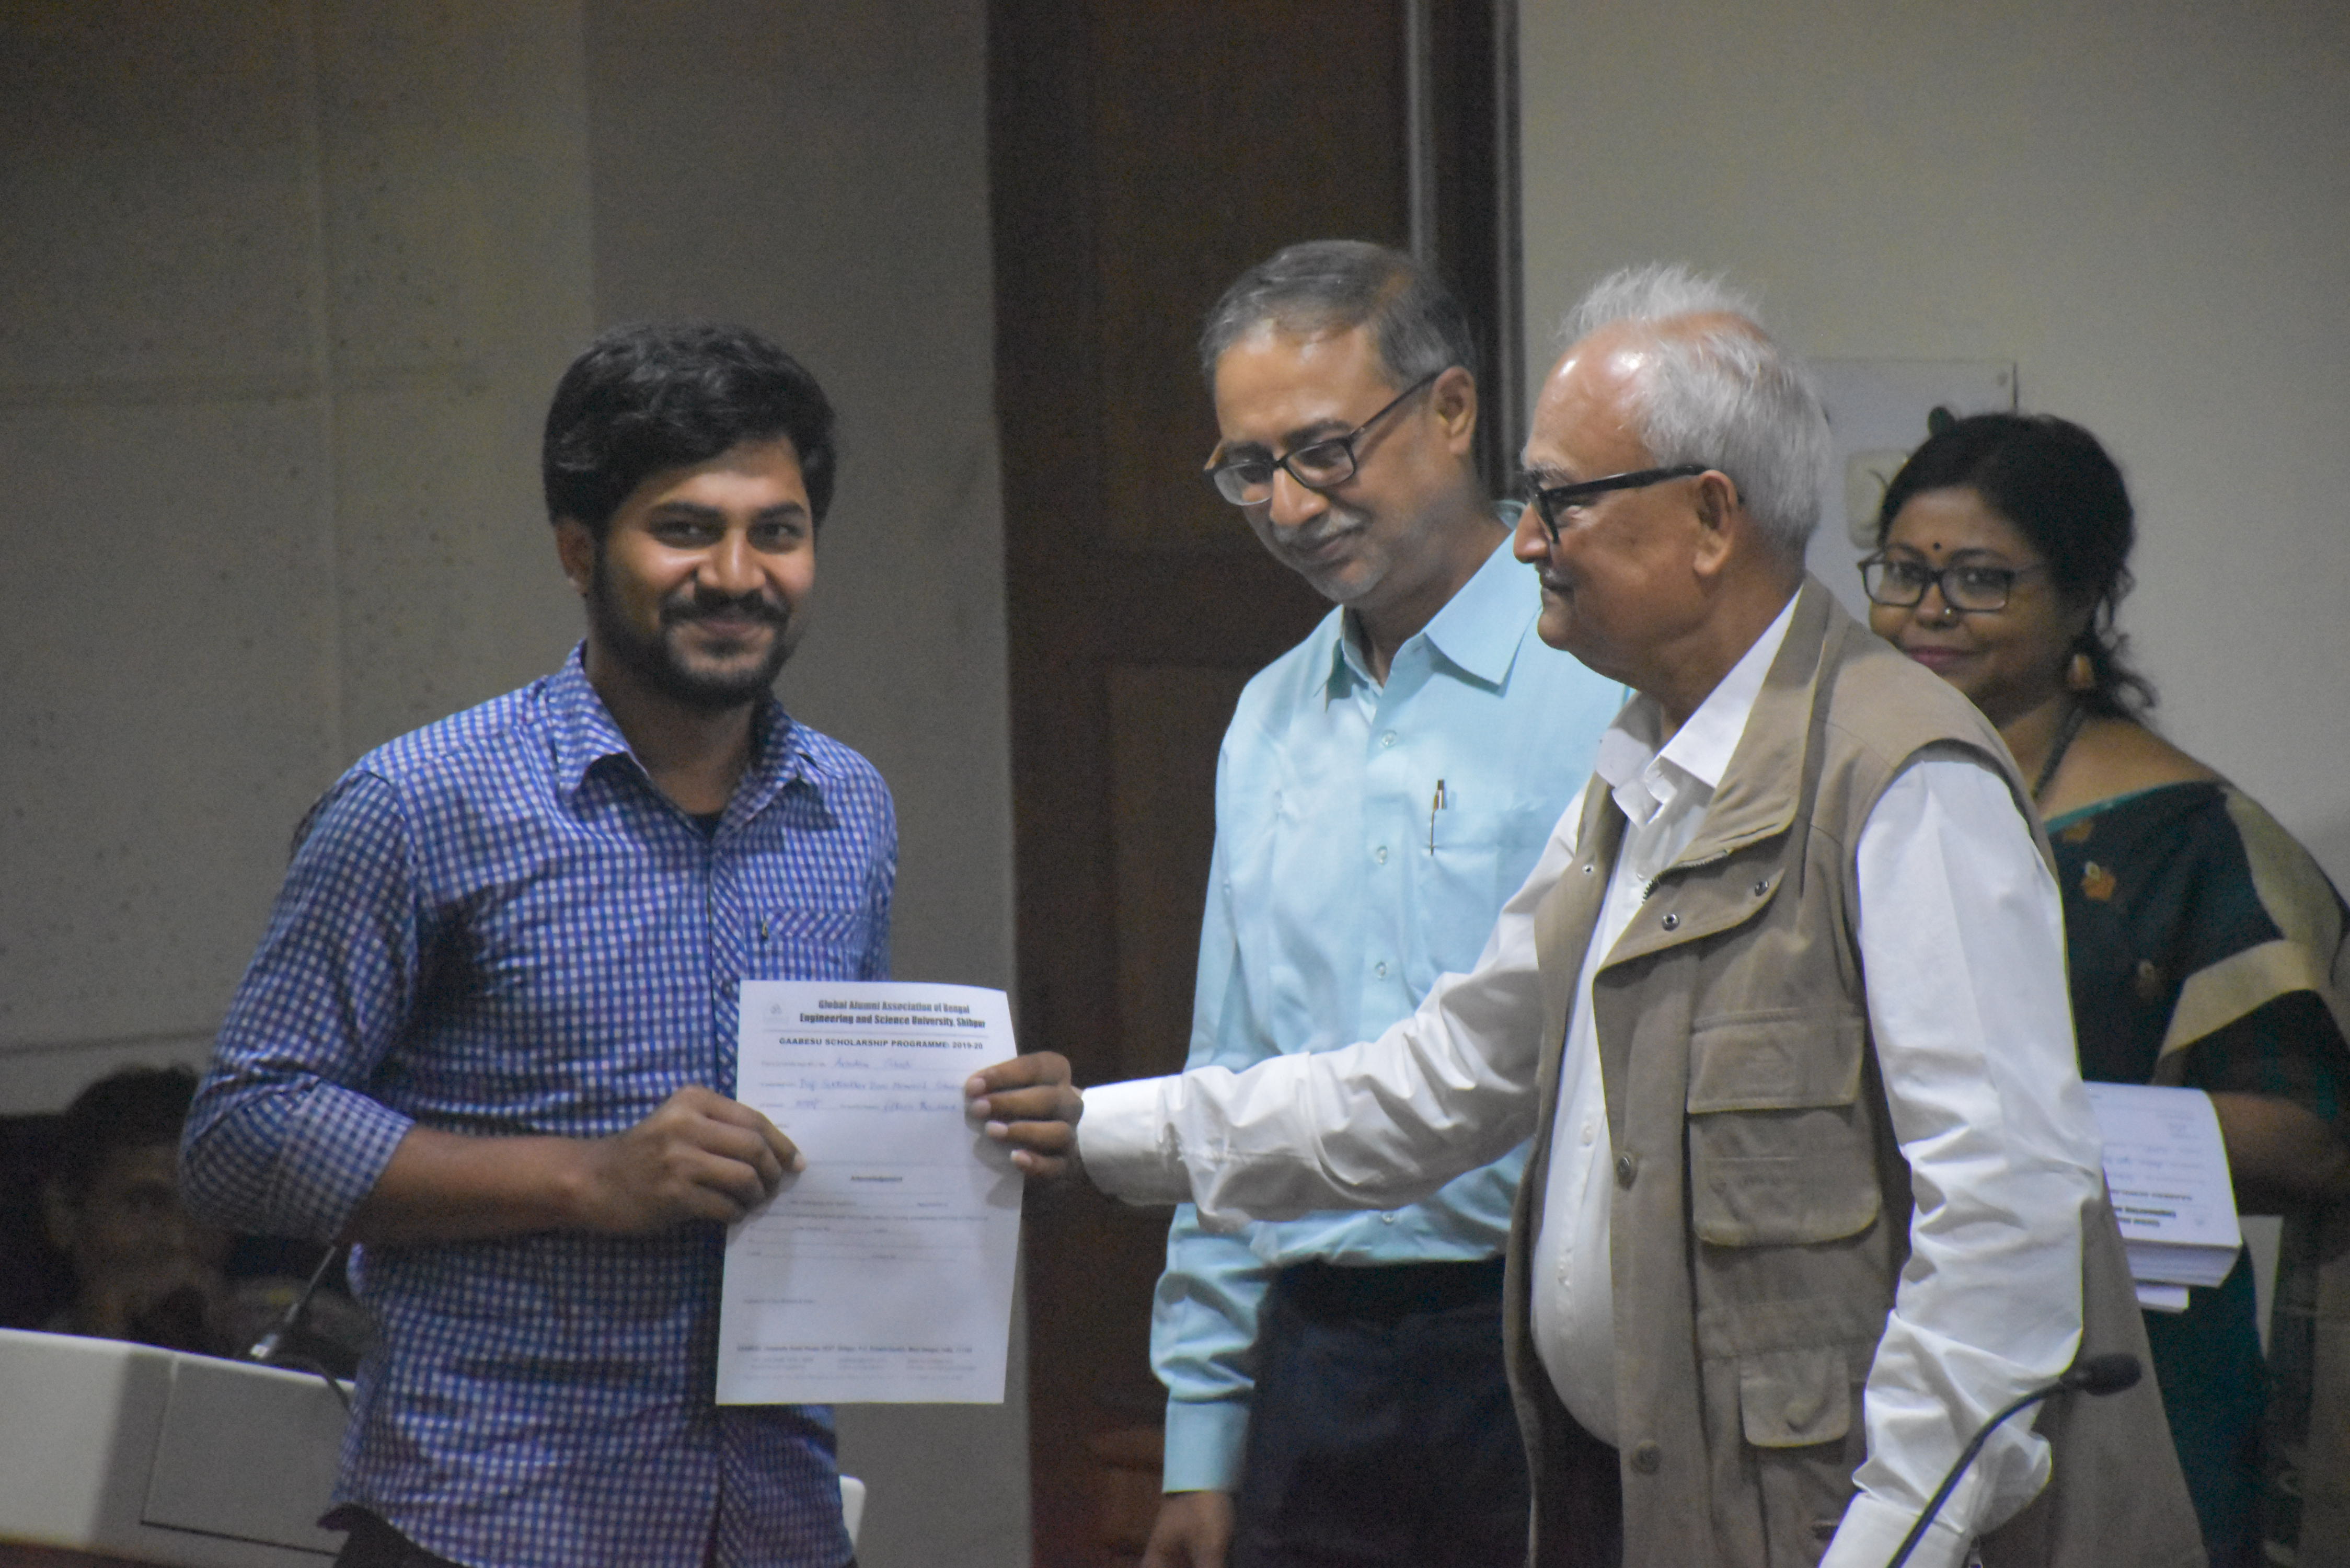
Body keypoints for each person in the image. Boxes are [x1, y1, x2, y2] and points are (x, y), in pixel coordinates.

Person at [970, 265, 2200, 1568]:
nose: (1527, 542)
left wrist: (1894, 1540)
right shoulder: (1641, 769)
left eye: (1561, 500)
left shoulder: (1900, 774)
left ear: (1708, 519)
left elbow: (2007, 1224)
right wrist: (1097, 1128)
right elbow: (1441, 1082)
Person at [183, 324, 893, 1568]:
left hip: (770, 1515)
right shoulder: (420, 802)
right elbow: (242, 1137)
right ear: (578, 550)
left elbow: (837, 1131)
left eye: (776, 531)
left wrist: (981, 1133)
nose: (738, 574)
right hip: (490, 1516)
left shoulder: (849, 805)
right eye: (685, 528)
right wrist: (586, 1177)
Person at [1150, 240, 1620, 1568]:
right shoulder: (1269, 717)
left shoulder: (1607, 680)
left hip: (1550, 1335)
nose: (1291, 507)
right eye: (1250, 469)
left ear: (1452, 408)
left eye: (1324, 451)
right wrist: (1202, 1426)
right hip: (1318, 1356)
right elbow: (1232, 1064)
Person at [1864, 410, 2350, 1566]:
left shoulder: (2184, 837)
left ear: (2083, 596)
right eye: (1904, 572)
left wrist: (2028, 1129)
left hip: (2128, 1351)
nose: (1930, 611)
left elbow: (2313, 1134)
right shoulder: (1855, 785)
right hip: (1890, 1317)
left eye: (1981, 579)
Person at [42, 1065, 233, 1354]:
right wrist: (107, 1342)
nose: (180, 1239)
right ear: (64, 1217)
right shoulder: (16, 1367)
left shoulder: (283, 1334)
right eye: (144, 1206)